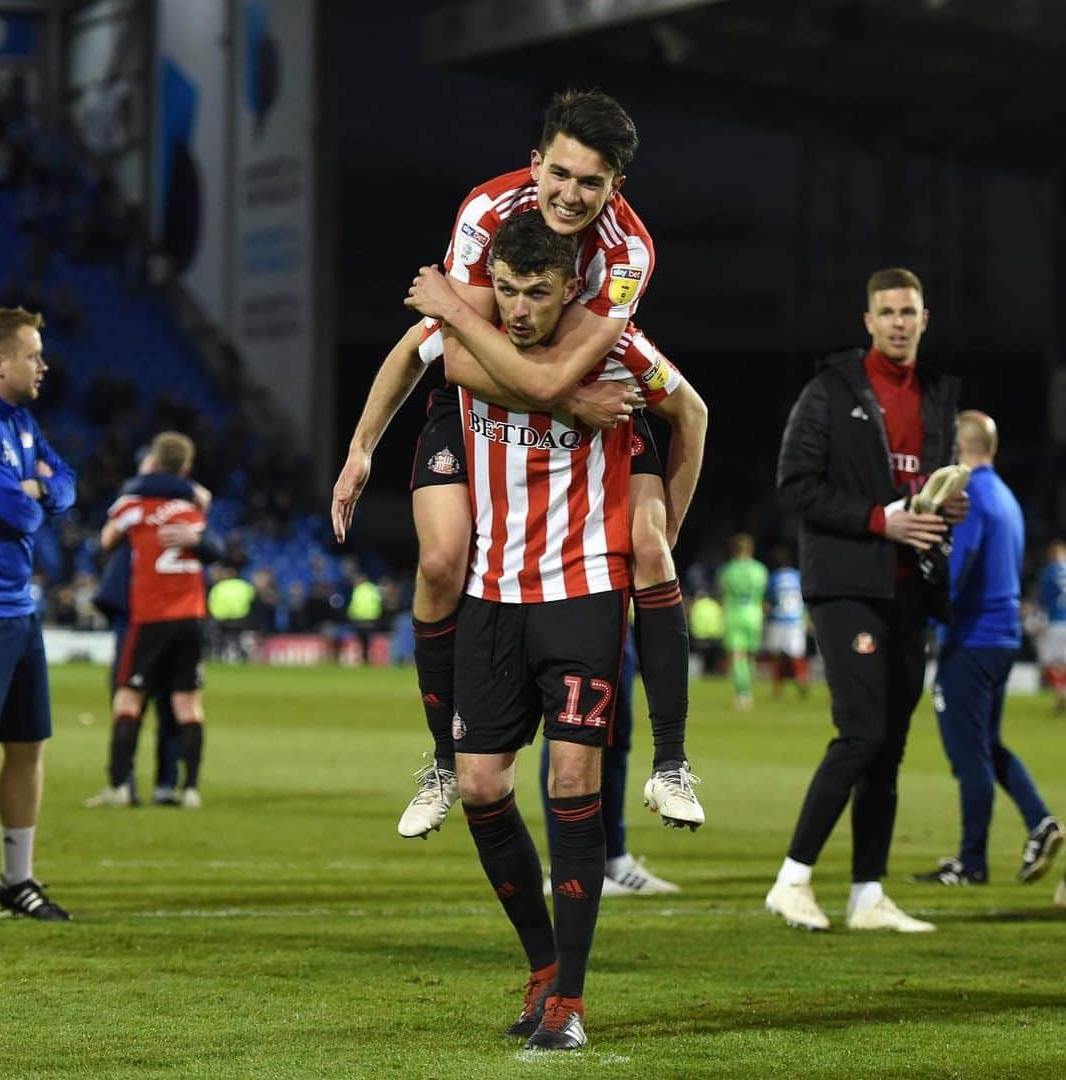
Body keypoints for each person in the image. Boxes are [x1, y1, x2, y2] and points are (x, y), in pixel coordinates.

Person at [332, 89, 701, 839]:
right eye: (558, 173)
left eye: (590, 183)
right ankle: (443, 759)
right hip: (506, 409)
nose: (569, 194)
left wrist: (659, 539)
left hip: (582, 406)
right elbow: (447, 358)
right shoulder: (485, 213)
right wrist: (360, 447)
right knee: (439, 562)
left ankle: (670, 764)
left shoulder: (627, 258)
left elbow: (549, 378)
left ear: (615, 189)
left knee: (650, 546)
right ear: (536, 164)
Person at [407, 211, 706, 1050]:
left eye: (537, 292)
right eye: (505, 290)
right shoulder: (467, 343)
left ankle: (570, 1004)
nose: (520, 308)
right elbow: (409, 360)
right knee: (480, 788)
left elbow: (694, 412)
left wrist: (666, 525)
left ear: (570, 287)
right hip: (492, 598)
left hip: (580, 593)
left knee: (573, 781)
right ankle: (542, 967)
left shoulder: (616, 348)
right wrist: (360, 451)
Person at [765, 267, 968, 934]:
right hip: (847, 583)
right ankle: (793, 880)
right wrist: (883, 520)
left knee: (890, 748)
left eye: (909, 311)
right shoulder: (830, 391)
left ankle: (867, 894)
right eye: (888, 312)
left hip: (912, 586)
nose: (900, 322)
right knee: (862, 733)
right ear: (869, 321)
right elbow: (794, 484)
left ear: (925, 318)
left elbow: (923, 487)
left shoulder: (939, 397)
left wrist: (943, 508)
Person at [914, 412, 1063, 886]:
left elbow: (960, 567)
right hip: (1002, 639)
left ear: (959, 444)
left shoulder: (972, 495)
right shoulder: (1007, 497)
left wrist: (927, 612)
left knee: (967, 755)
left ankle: (971, 862)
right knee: (988, 746)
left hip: (973, 639)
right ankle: (1041, 823)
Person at [0, 306, 75, 922]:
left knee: (27, 745)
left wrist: (40, 488)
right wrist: (34, 493)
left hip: (20, 609)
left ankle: (17, 881)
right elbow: (16, 512)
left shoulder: (21, 422)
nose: (42, 365)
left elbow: (63, 486)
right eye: (32, 355)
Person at [86, 432, 210, 810]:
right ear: (186, 467)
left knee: (127, 698)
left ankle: (121, 786)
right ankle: (187, 790)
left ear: (152, 462)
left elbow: (105, 541)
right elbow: (211, 543)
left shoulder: (132, 504)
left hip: (149, 615)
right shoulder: (193, 509)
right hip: (191, 617)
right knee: (187, 704)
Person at [540, 634, 681, 896]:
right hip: (578, 610)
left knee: (614, 737)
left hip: (616, 613)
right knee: (571, 730)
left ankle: (612, 859)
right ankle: (568, 866)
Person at [718, 533, 768, 709]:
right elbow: (763, 593)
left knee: (737, 655)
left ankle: (743, 694)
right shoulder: (760, 570)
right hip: (754, 615)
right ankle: (748, 690)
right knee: (750, 656)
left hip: (734, 614)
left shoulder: (728, 571)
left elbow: (722, 592)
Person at [764, 547, 810, 697]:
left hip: (778, 619)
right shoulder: (799, 576)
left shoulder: (774, 578)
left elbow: (769, 600)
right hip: (796, 619)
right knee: (797, 653)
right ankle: (802, 680)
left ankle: (778, 687)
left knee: (777, 655)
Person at [1034, 539, 1066, 716]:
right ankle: (1060, 694)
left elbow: (1042, 601)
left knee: (1048, 663)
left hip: (1055, 623)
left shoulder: (1049, 572)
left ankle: (1061, 691)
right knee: (1063, 663)